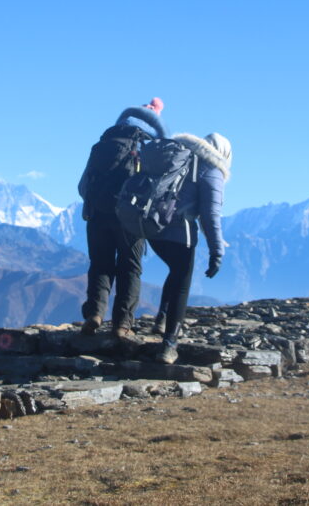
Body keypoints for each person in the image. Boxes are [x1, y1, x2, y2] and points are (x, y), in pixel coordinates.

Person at [78, 98, 168, 339]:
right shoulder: (151, 148)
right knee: (130, 267)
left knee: (100, 264)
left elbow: (83, 185)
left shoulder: (104, 143)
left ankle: (94, 314)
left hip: (97, 213)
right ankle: (122, 324)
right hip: (131, 218)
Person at [149, 132, 231, 364]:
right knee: (182, 282)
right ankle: (169, 345)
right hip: (178, 231)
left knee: (175, 271)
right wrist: (217, 251)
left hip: (151, 227)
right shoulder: (211, 169)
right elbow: (211, 215)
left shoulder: (178, 157)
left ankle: (161, 319)